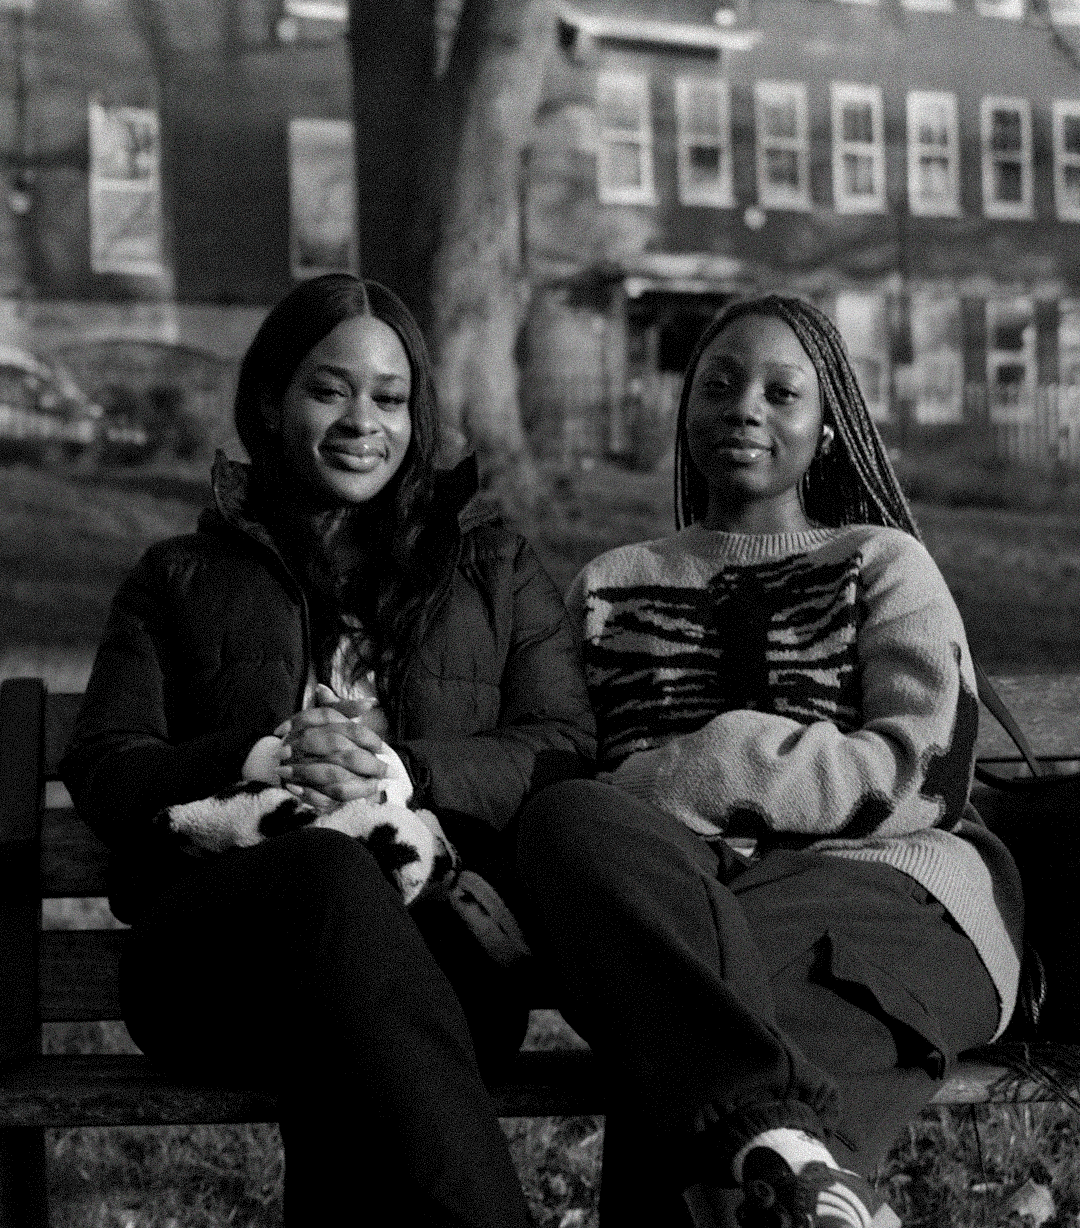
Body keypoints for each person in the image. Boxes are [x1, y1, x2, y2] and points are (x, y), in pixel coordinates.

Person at [60, 272, 595, 1228]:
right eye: (328, 389)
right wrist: (263, 758)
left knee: (347, 1012)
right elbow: (104, 762)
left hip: (442, 959)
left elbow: (563, 746)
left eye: (390, 398)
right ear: (271, 401)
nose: (363, 421)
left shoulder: (495, 571)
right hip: (217, 970)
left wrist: (402, 773)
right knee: (325, 874)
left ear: (416, 414)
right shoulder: (179, 579)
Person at [516, 294, 1023, 1228]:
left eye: (782, 392)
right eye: (719, 386)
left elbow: (927, 770)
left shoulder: (880, 559)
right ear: (687, 411)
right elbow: (571, 785)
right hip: (690, 917)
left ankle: (779, 1157)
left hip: (889, 896)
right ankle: (803, 1176)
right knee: (571, 829)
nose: (745, 407)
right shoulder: (609, 585)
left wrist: (712, 765)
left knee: (680, 1058)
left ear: (828, 431)